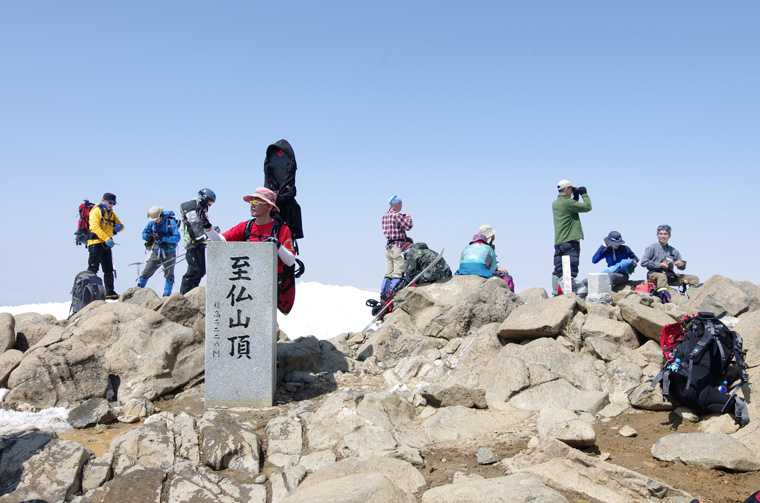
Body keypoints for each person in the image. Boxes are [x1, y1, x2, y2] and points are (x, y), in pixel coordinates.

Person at [222, 187, 298, 314]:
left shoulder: (282, 229)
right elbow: (221, 241)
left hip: (271, 284)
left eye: (257, 202)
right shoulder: (246, 226)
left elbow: (290, 261)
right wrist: (208, 228)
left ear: (269, 207)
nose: (252, 205)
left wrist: (277, 245)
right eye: (251, 202)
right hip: (247, 282)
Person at [640, 225, 699, 301]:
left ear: (669, 236)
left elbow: (682, 267)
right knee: (662, 277)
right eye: (660, 234)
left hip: (669, 275)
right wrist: (659, 265)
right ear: (657, 235)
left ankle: (692, 299)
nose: (663, 236)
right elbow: (643, 262)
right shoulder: (651, 248)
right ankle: (665, 296)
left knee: (694, 279)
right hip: (654, 274)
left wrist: (681, 264)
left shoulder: (673, 250)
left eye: (665, 234)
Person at [552, 180, 592, 293]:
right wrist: (584, 194)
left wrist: (575, 197)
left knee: (558, 270)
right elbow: (587, 207)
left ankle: (555, 293)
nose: (572, 190)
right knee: (571, 270)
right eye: (571, 188)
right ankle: (571, 295)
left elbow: (571, 209)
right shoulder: (568, 203)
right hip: (570, 242)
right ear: (567, 189)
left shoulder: (556, 203)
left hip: (559, 242)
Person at [179, 188, 217, 295]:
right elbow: (194, 226)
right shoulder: (192, 208)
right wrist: (204, 236)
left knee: (201, 270)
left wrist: (211, 232)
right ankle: (184, 295)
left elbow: (203, 224)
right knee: (194, 270)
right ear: (204, 199)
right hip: (192, 243)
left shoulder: (201, 208)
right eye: (209, 202)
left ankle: (192, 293)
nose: (210, 205)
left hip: (200, 243)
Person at [137, 206, 181, 296]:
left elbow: (177, 237)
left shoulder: (170, 222)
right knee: (146, 271)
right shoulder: (152, 223)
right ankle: (138, 291)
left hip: (169, 252)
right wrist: (149, 237)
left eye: (156, 219)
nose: (155, 221)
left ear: (160, 216)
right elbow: (144, 233)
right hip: (156, 251)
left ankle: (166, 296)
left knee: (169, 275)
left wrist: (163, 238)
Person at [87, 192, 123, 300]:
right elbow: (95, 227)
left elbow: (121, 225)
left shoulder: (111, 213)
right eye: (110, 202)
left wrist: (117, 229)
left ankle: (110, 292)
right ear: (103, 201)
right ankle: (89, 293)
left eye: (113, 203)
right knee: (93, 269)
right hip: (95, 243)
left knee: (108, 269)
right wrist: (107, 238)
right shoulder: (96, 210)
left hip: (106, 245)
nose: (111, 205)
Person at [380, 195, 413, 301]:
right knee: (398, 273)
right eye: (400, 203)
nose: (402, 206)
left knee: (389, 274)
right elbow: (408, 226)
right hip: (397, 247)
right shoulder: (397, 215)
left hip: (389, 247)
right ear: (396, 204)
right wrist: (408, 217)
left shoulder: (385, 216)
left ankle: (384, 295)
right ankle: (393, 295)